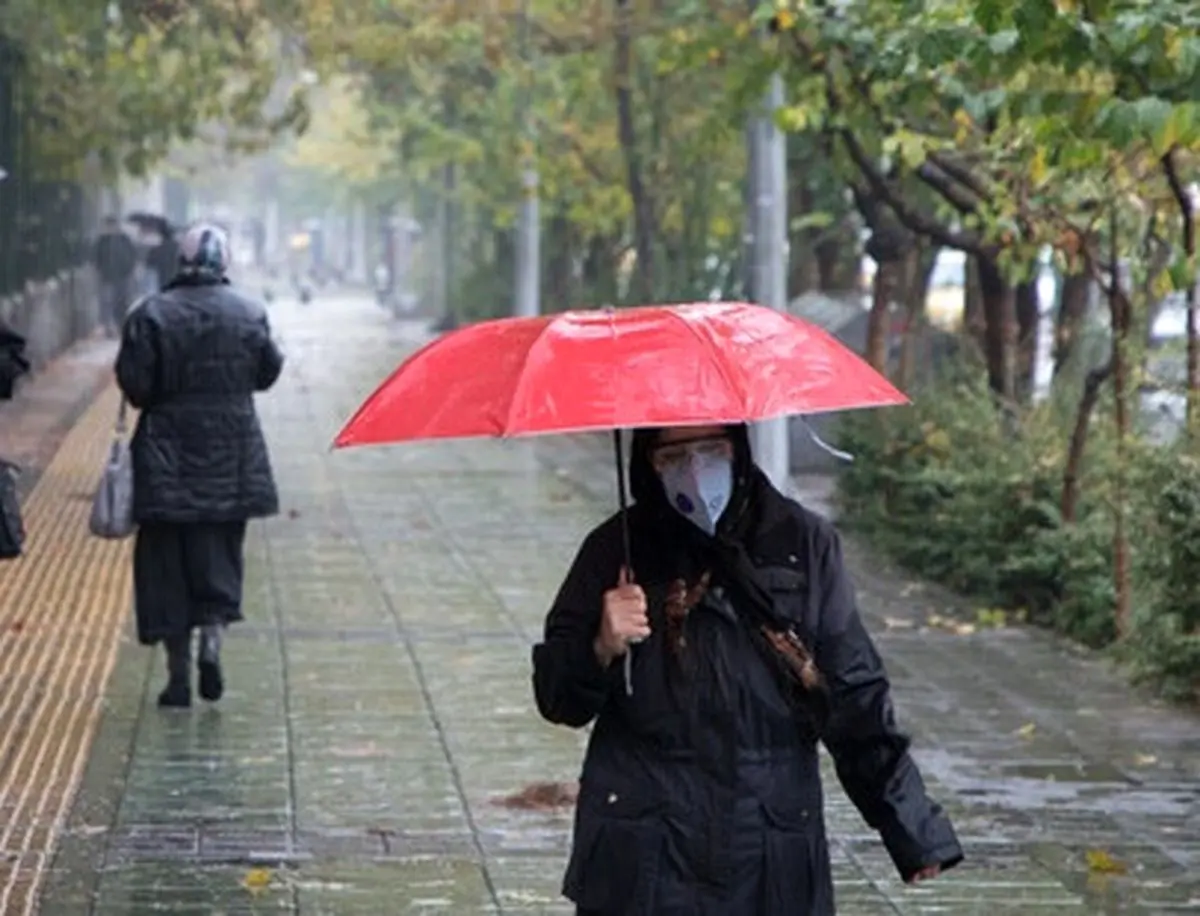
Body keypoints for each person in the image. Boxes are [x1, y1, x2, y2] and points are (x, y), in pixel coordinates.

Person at [533, 424, 962, 915]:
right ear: (646, 460)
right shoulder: (616, 552)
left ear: (738, 447)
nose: (695, 469)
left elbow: (854, 693)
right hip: (643, 852)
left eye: (711, 448)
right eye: (673, 454)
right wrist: (600, 646)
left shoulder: (803, 545)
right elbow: (557, 698)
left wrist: (910, 826)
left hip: (767, 847)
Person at [115, 223, 284, 708]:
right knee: (218, 558)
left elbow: (137, 387)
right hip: (233, 458)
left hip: (165, 458)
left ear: (180, 261)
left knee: (166, 564)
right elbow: (267, 373)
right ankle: (213, 641)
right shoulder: (249, 312)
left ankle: (177, 678)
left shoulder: (151, 315)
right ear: (224, 263)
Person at [91, 217, 138, 337]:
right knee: (107, 302)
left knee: (121, 301)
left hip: (122, 276)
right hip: (107, 277)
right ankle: (109, 327)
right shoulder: (102, 241)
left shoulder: (124, 239)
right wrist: (99, 270)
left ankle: (120, 325)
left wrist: (129, 270)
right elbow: (96, 258)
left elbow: (132, 255)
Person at [145, 220, 181, 292]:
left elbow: (149, 262)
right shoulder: (178, 246)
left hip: (163, 277)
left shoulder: (158, 248)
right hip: (176, 277)